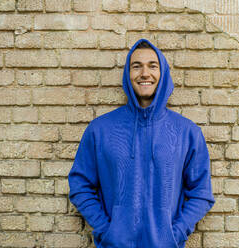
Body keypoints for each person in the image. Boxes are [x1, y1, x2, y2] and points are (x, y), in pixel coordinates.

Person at [68, 39, 215, 248]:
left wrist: (176, 233)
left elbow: (201, 193)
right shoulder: (100, 130)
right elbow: (80, 185)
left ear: (162, 73)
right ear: (128, 75)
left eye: (152, 66)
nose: (145, 73)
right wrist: (106, 230)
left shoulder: (187, 132)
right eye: (136, 66)